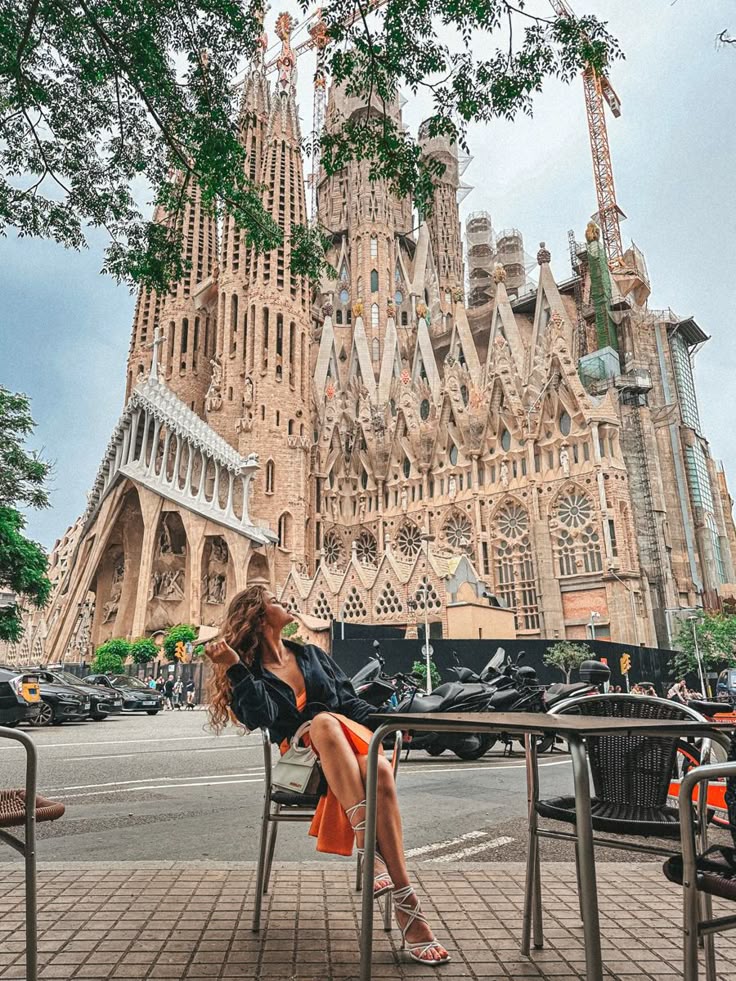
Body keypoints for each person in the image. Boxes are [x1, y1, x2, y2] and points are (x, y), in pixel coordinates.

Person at [205, 585, 449, 966]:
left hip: (348, 748)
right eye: (273, 600)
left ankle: (387, 876)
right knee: (337, 735)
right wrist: (235, 667)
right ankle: (402, 898)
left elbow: (350, 702)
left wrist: (393, 722)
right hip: (304, 765)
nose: (283, 601)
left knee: (371, 760)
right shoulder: (250, 673)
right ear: (258, 616)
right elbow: (261, 718)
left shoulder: (313, 656)